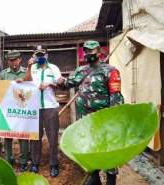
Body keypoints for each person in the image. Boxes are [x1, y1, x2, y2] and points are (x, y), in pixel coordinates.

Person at [59, 40, 124, 185]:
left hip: (104, 119)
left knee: (108, 149)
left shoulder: (111, 70)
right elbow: (67, 84)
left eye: (92, 50)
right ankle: (94, 177)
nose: (89, 53)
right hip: (86, 120)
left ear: (99, 52)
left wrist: (113, 119)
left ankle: (111, 179)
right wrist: (59, 81)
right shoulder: (80, 71)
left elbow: (116, 96)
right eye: (86, 51)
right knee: (90, 146)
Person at [24, 45, 61, 177]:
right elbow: (26, 81)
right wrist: (28, 66)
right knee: (35, 137)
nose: (40, 57)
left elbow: (60, 83)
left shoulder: (54, 68)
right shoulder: (32, 68)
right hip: (34, 107)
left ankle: (54, 164)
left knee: (53, 137)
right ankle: (35, 163)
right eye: (37, 55)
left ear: (46, 55)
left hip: (50, 106)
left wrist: (49, 84)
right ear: (34, 56)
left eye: (42, 54)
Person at [0, 50, 29, 172]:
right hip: (8, 109)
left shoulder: (26, 72)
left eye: (15, 59)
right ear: (8, 61)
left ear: (20, 59)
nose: (13, 62)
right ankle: (8, 160)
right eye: (10, 60)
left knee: (23, 136)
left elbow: (32, 86)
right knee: (7, 136)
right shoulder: (3, 74)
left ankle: (23, 161)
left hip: (23, 108)